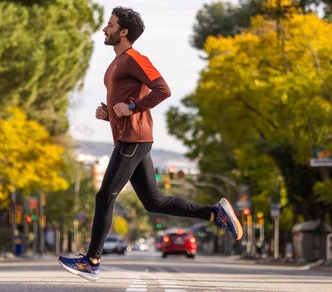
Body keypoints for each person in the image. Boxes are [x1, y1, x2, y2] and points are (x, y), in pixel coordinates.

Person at [58, 6, 243, 282]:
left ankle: (92, 260)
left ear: (123, 32)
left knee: (105, 195)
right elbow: (123, 101)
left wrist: (133, 107)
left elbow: (163, 89)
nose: (104, 29)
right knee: (153, 201)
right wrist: (108, 113)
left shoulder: (134, 58)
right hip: (129, 137)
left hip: (133, 139)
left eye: (110, 25)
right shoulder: (116, 63)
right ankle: (215, 213)